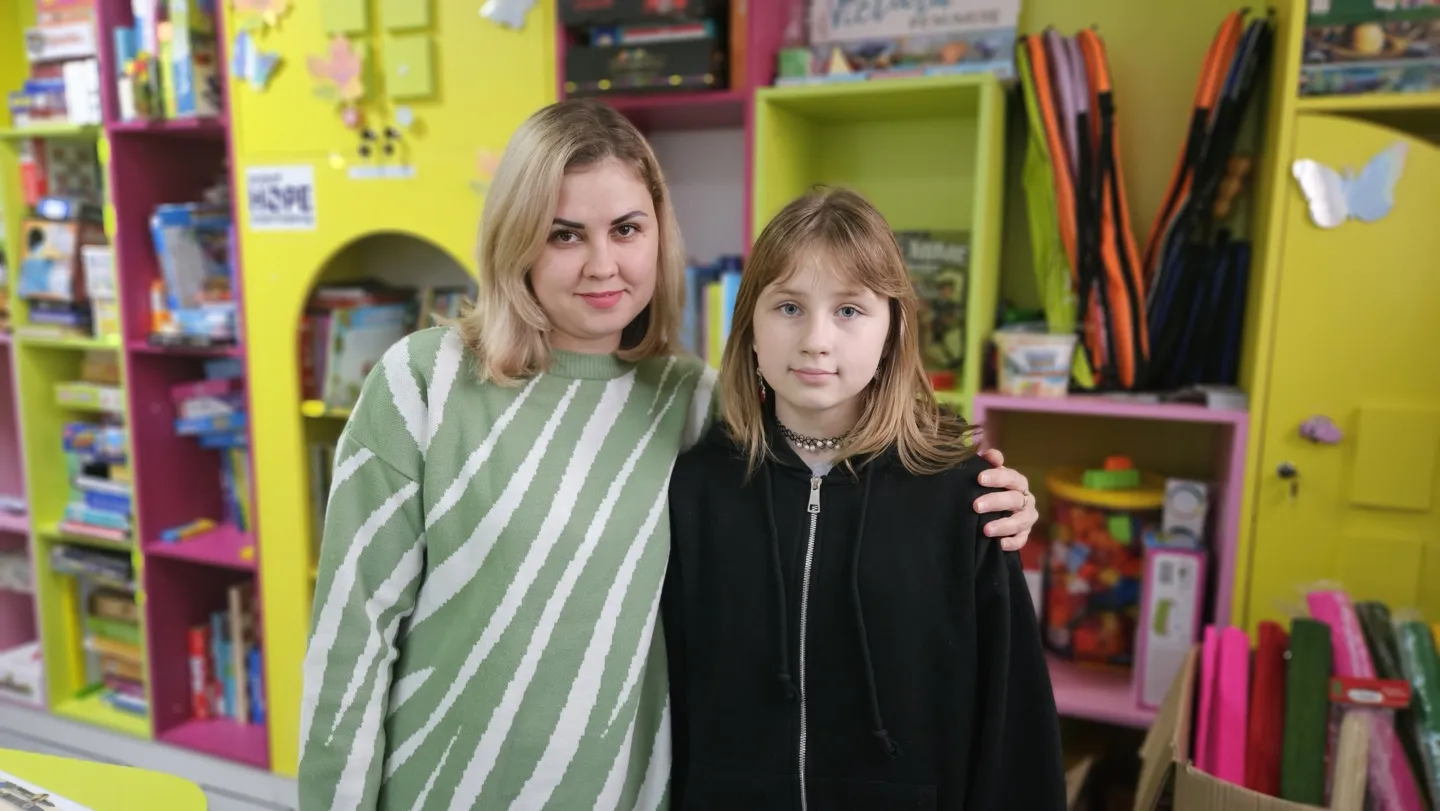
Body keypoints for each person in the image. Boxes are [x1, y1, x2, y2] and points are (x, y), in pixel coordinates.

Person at [298, 99, 1039, 811]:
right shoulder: (420, 382)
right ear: (515, 238)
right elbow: (350, 641)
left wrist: (982, 492)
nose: (601, 264)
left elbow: (833, 435)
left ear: (659, 233)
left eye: (626, 228)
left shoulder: (692, 401)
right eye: (564, 234)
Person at [663, 187, 1066, 810]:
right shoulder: (696, 490)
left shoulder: (963, 497)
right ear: (749, 327)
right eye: (789, 307)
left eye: (849, 310)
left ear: (892, 332)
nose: (816, 340)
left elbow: (1014, 716)